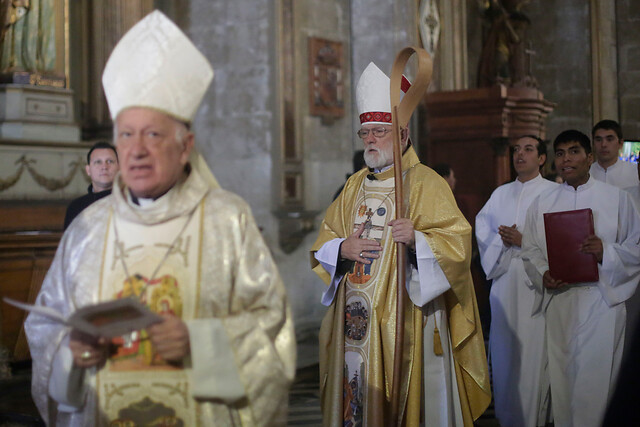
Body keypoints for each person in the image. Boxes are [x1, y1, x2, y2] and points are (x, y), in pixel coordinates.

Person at [25, 11, 295, 426]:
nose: (136, 150)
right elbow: (45, 328)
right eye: (126, 135)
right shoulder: (88, 229)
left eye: (152, 134)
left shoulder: (228, 221)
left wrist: (199, 344)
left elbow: (272, 328)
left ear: (185, 146)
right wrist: (71, 354)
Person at [310, 62, 490, 426]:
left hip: (408, 319)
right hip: (356, 322)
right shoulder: (354, 186)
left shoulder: (426, 183)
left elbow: (458, 244)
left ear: (403, 136)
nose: (371, 140)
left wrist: (419, 241)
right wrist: (341, 249)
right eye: (365, 134)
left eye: (379, 131)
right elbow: (325, 241)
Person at [521, 129, 640, 427]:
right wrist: (543, 274)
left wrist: (606, 252)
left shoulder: (618, 200)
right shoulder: (543, 201)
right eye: (560, 153)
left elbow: (636, 247)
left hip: (602, 301)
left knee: (596, 384)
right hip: (561, 301)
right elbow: (530, 250)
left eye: (574, 152)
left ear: (589, 158)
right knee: (564, 383)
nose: (566, 159)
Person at [475, 135, 557, 427]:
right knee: (505, 355)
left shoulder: (554, 193)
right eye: (516, 150)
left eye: (528, 149)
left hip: (538, 287)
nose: (520, 154)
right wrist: (501, 243)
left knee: (536, 355)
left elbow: (561, 239)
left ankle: (535, 418)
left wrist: (526, 241)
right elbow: (482, 228)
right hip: (505, 283)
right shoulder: (500, 194)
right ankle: (508, 418)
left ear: (542, 158)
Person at [63, 141, 119, 230]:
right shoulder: (75, 207)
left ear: (119, 168)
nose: (104, 167)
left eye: (109, 161)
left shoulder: (131, 204)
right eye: (98, 162)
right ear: (88, 170)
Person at [590, 119, 639, 189]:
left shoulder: (635, 173)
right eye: (598, 140)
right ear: (593, 144)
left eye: (609, 139)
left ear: (620, 143)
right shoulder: (585, 174)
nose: (603, 144)